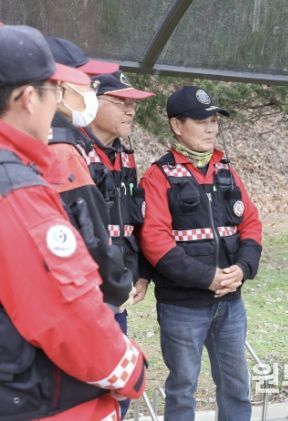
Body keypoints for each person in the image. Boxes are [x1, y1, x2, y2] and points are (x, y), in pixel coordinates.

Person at [0, 24, 147, 420]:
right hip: (42, 397)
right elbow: (66, 314)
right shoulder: (17, 188)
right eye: (56, 89)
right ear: (28, 98)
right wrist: (130, 368)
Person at [139, 85, 263, 420]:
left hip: (230, 303)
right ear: (176, 125)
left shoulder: (226, 170)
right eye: (201, 121)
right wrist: (208, 278)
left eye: (214, 121)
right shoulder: (158, 176)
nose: (211, 128)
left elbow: (251, 223)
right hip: (182, 307)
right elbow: (155, 242)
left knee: (236, 386)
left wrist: (243, 268)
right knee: (183, 390)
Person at [83, 69, 154, 417]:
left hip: (117, 294)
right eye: (120, 102)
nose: (130, 111)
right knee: (85, 390)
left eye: (134, 105)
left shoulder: (124, 154)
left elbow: (131, 221)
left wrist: (140, 271)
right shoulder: (72, 152)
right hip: (84, 297)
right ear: (91, 101)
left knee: (117, 389)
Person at [46, 35, 134, 312]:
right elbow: (90, 234)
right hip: (74, 299)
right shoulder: (61, 147)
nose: (91, 92)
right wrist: (118, 286)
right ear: (59, 88)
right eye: (88, 83)